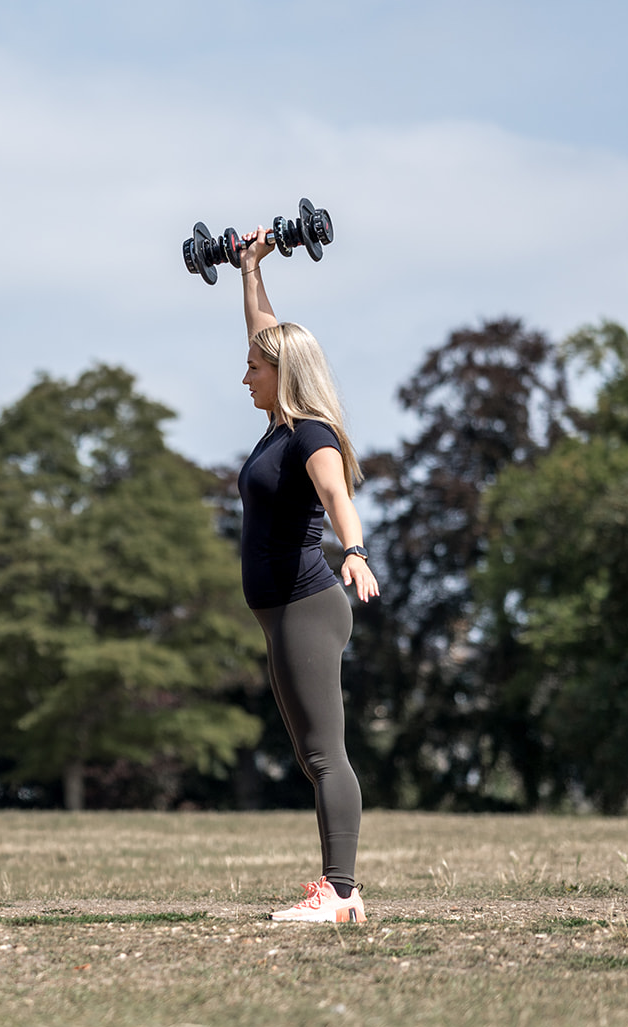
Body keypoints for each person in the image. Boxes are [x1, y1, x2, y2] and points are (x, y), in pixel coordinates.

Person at [235, 228, 379, 923]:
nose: (244, 376)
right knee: (311, 754)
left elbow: (338, 499)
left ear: (281, 375)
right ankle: (340, 887)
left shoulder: (310, 434)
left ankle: (342, 894)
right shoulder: (277, 425)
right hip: (280, 612)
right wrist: (250, 269)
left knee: (325, 755)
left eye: (254, 370)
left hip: (308, 606)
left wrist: (355, 552)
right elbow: (267, 332)